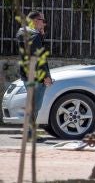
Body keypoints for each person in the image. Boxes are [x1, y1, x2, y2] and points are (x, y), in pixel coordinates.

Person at [16, 11, 52, 140]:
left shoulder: (22, 32)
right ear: (36, 20)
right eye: (43, 20)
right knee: (35, 106)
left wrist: (41, 36)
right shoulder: (35, 35)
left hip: (26, 75)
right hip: (36, 76)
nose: (44, 23)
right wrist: (46, 76)